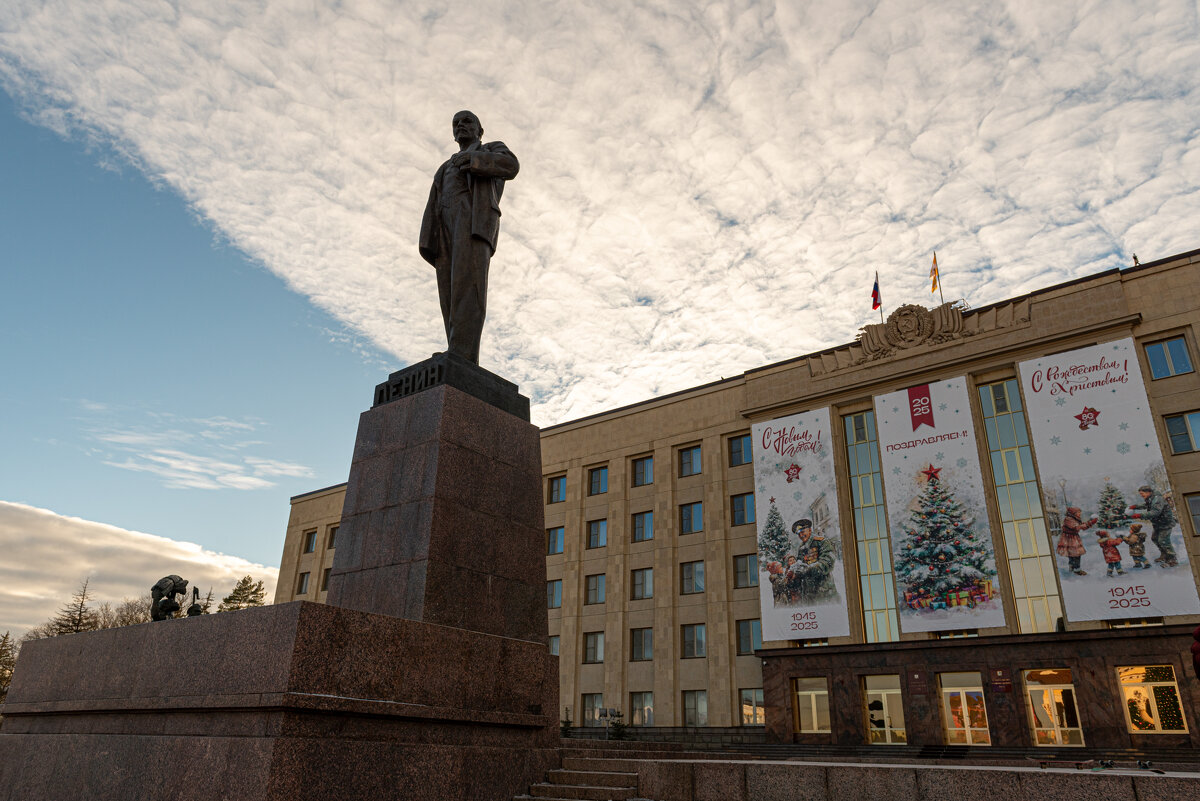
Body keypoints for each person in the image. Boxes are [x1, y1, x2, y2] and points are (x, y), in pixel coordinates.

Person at [419, 110, 519, 364]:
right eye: (456, 123)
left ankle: (463, 353)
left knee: (469, 286)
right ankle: (456, 347)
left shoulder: (490, 150)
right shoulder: (444, 167)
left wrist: (474, 160)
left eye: (467, 121)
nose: (460, 126)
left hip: (472, 220)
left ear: (479, 130)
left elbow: (511, 166)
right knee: (450, 291)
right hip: (444, 225)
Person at [1129, 485, 1178, 567]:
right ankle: (1164, 555)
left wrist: (1140, 515)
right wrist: (1135, 506)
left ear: (1148, 492)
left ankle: (1172, 559)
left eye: (1142, 493)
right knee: (1155, 538)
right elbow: (1147, 505)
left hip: (1165, 523)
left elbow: (1155, 512)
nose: (1141, 495)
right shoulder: (1151, 498)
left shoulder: (1157, 499)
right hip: (1158, 523)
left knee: (1163, 541)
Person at [788, 519, 837, 601]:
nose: (801, 535)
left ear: (810, 530)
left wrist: (808, 569)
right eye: (799, 534)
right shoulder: (801, 548)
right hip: (808, 595)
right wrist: (794, 573)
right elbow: (800, 566)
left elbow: (828, 563)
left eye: (803, 532)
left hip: (824, 593)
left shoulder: (822, 542)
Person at [1055, 506, 1096, 576]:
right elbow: (1077, 527)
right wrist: (1089, 523)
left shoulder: (1075, 519)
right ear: (1073, 513)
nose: (1080, 514)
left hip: (1073, 538)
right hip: (1069, 539)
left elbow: (1082, 526)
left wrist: (1090, 522)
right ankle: (1076, 570)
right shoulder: (1068, 519)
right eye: (1078, 512)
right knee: (1075, 554)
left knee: (1074, 554)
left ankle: (1073, 568)